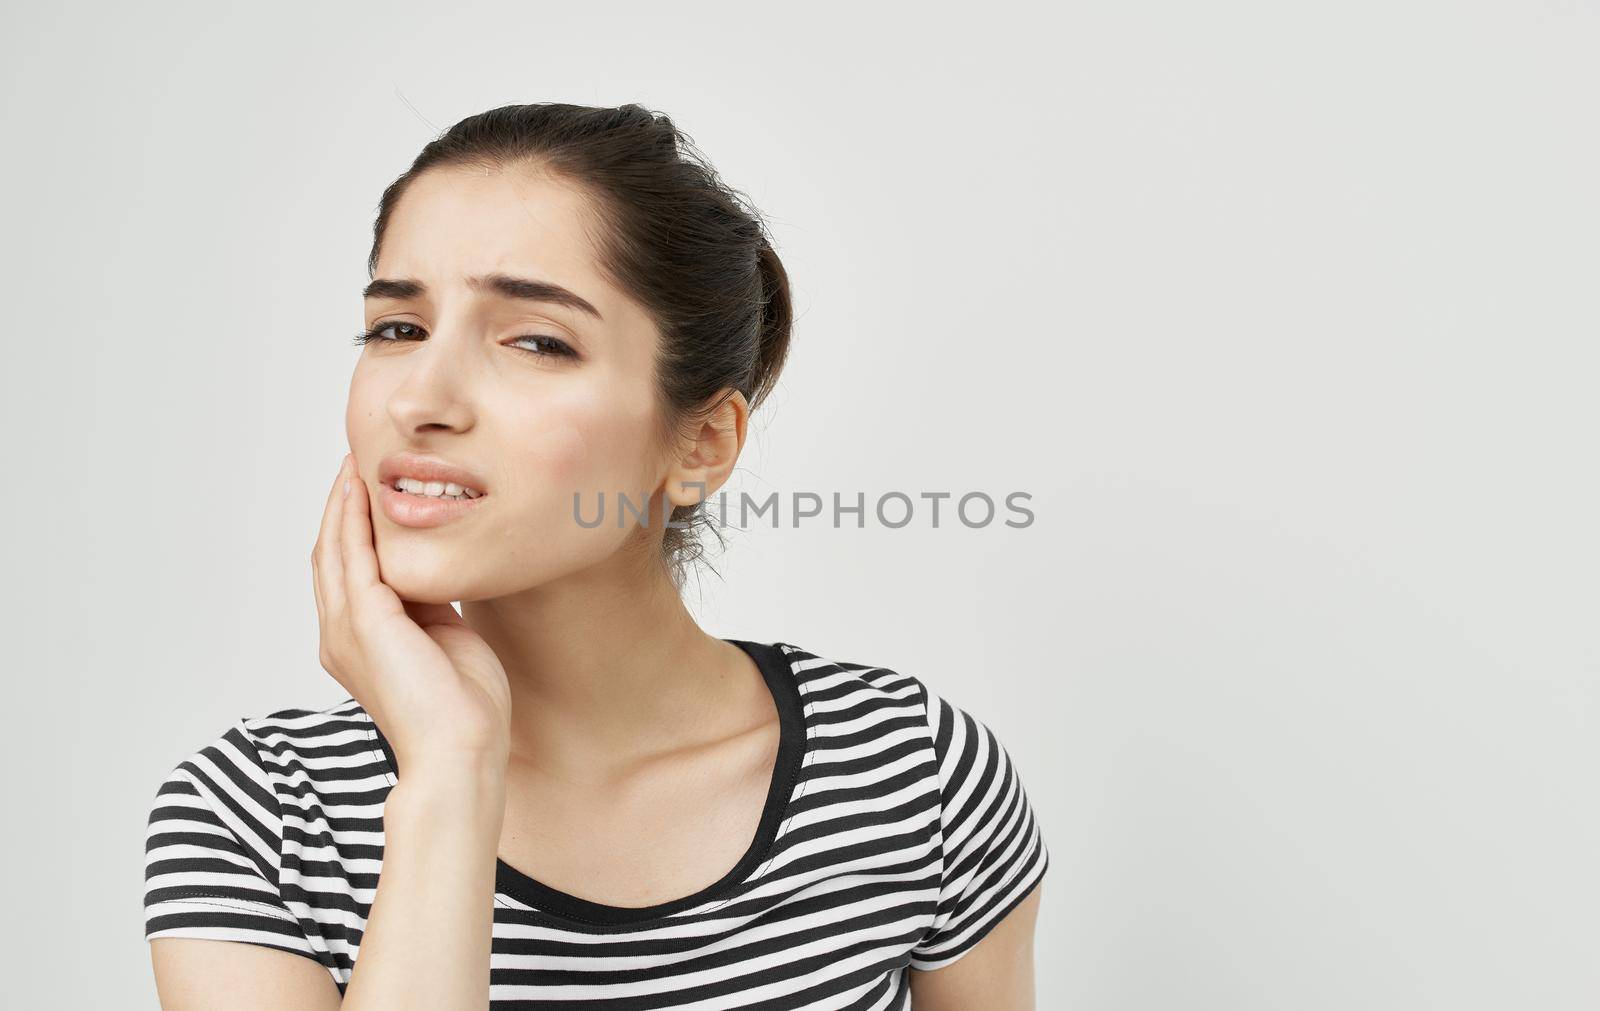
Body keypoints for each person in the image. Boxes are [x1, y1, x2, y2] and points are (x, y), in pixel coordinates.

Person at [142, 102, 1049, 1010]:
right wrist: (451, 773)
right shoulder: (255, 819)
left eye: (536, 341)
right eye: (398, 329)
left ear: (700, 444)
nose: (420, 397)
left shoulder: (913, 773)